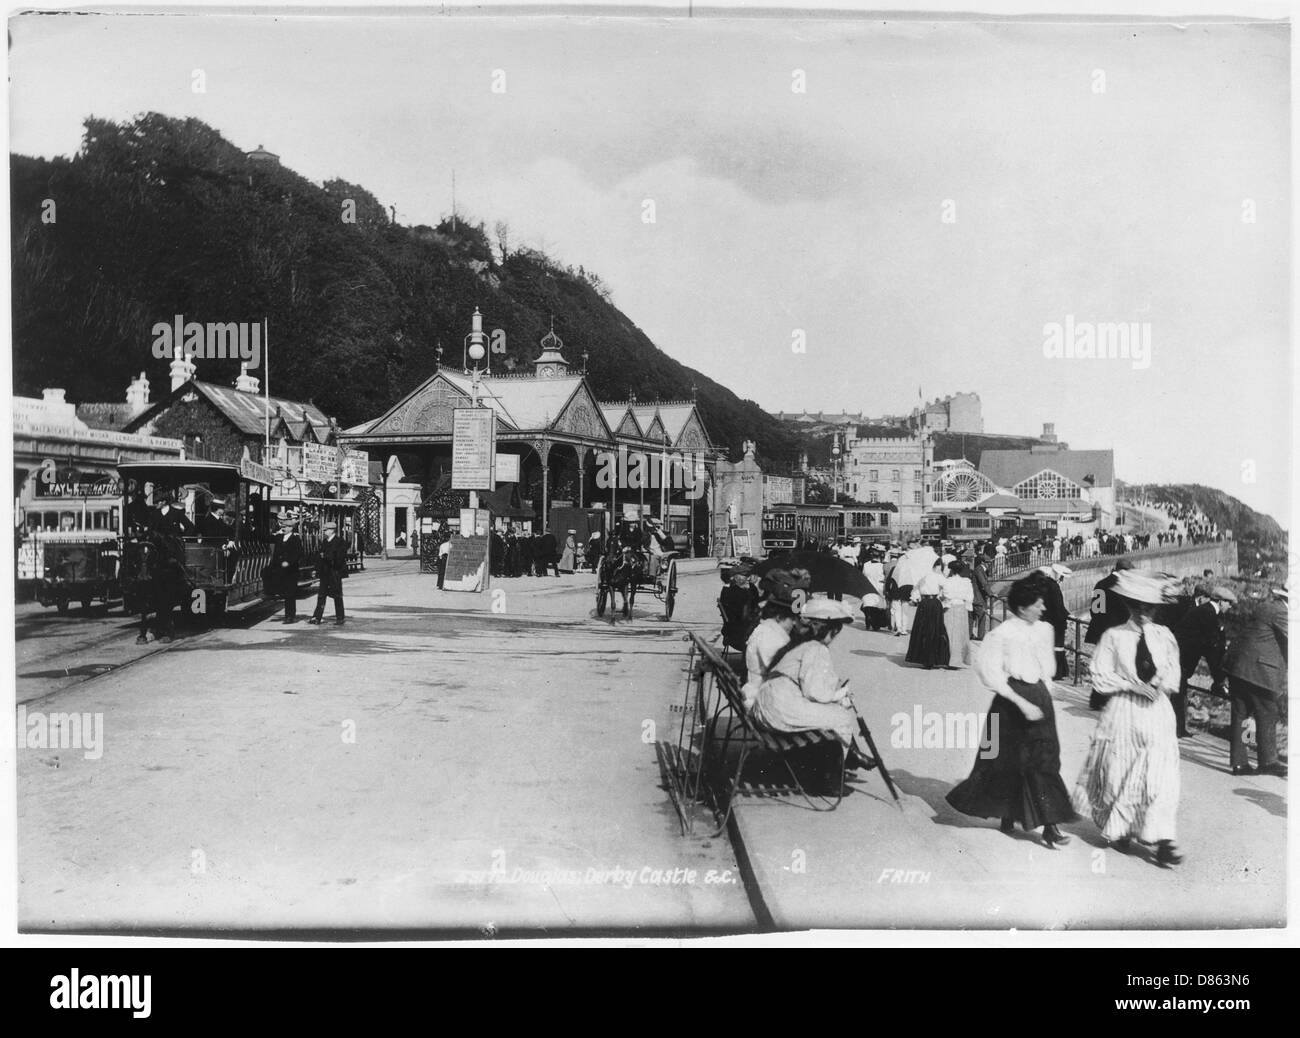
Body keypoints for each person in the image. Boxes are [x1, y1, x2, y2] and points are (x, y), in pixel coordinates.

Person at [946, 574, 1074, 847]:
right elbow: (990, 672)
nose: (1043, 608)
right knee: (1007, 761)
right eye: (1038, 604)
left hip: (1038, 697)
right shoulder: (1001, 634)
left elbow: (1047, 667)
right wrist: (1022, 702)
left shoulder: (1045, 630)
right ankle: (1009, 813)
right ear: (1023, 606)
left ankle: (1050, 826)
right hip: (1010, 700)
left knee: (1044, 760)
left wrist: (1045, 690)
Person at [1072, 570, 1184, 864]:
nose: (1145, 613)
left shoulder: (1165, 636)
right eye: (1139, 607)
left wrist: (1161, 685)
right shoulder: (1113, 636)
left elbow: (1173, 671)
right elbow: (1099, 673)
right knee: (1119, 771)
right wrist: (1131, 684)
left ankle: (1163, 841)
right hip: (1123, 712)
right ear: (1130, 606)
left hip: (1157, 712)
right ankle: (1121, 829)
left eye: (1150, 608)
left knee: (1161, 776)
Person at [751, 598, 878, 776]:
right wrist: (839, 696)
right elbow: (814, 692)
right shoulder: (816, 648)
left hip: (770, 701)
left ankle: (848, 757)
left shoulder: (799, 643)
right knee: (840, 717)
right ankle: (835, 772)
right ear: (831, 631)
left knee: (833, 712)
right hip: (780, 708)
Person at [1222, 589, 1288, 777]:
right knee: (1267, 712)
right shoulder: (1282, 611)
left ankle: (1240, 763)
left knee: (1242, 714)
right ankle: (1268, 761)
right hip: (1258, 670)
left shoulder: (1267, 606)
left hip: (1239, 667)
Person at [741, 568, 810, 708]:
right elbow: (787, 675)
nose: (795, 624)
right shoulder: (771, 637)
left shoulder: (767, 630)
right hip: (768, 701)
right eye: (791, 620)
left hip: (763, 693)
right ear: (778, 616)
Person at [1171, 585, 1229, 738]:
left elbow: (1216, 642)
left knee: (1179, 691)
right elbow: (1211, 648)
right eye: (1229, 603)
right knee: (1178, 691)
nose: (1230, 607)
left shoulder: (1211, 612)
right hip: (1180, 657)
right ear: (1221, 602)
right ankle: (1177, 729)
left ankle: (1178, 729)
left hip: (1182, 657)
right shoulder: (1208, 613)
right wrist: (1218, 680)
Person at [905, 559, 950, 669]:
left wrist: (915, 599)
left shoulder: (921, 577)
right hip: (935, 603)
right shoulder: (938, 577)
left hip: (924, 603)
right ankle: (934, 658)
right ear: (937, 565)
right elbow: (947, 589)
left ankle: (924, 658)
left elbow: (914, 591)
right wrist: (945, 599)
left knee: (923, 629)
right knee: (935, 629)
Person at [1035, 564, 1071, 680]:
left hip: (1046, 620)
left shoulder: (1045, 584)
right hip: (1056, 622)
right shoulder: (1054, 587)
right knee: (1058, 646)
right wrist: (1067, 616)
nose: (1062, 580)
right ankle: (1057, 672)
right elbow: (1058, 606)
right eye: (1061, 577)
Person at [308, 521, 348, 626]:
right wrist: (317, 569)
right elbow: (320, 557)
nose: (324, 532)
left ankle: (340, 618)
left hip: (335, 572)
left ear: (332, 530)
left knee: (337, 595)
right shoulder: (325, 542)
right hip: (325, 572)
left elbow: (339, 558)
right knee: (321, 595)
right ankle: (317, 617)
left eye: (326, 530)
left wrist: (325, 556)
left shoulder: (340, 542)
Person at [266, 512, 303, 623]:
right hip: (280, 570)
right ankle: (287, 615)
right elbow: (267, 539)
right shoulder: (279, 537)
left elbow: (298, 554)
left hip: (291, 571)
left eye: (286, 527)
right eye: (283, 527)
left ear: (291, 528)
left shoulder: (295, 539)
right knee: (284, 592)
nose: (284, 528)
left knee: (290, 593)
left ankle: (290, 616)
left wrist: (289, 562)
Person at [941, 560, 974, 668]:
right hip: (961, 607)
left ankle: (949, 658)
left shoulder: (947, 581)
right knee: (960, 634)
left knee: (949, 633)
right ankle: (959, 659)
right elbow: (970, 597)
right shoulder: (966, 581)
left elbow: (945, 594)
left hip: (949, 607)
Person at [970, 554, 992, 640]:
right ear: (982, 562)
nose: (989, 564)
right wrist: (991, 593)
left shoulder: (981, 569)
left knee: (973, 617)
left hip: (976, 596)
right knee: (981, 616)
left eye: (990, 562)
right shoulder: (979, 570)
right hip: (977, 597)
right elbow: (983, 583)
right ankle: (981, 636)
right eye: (987, 562)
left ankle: (971, 634)